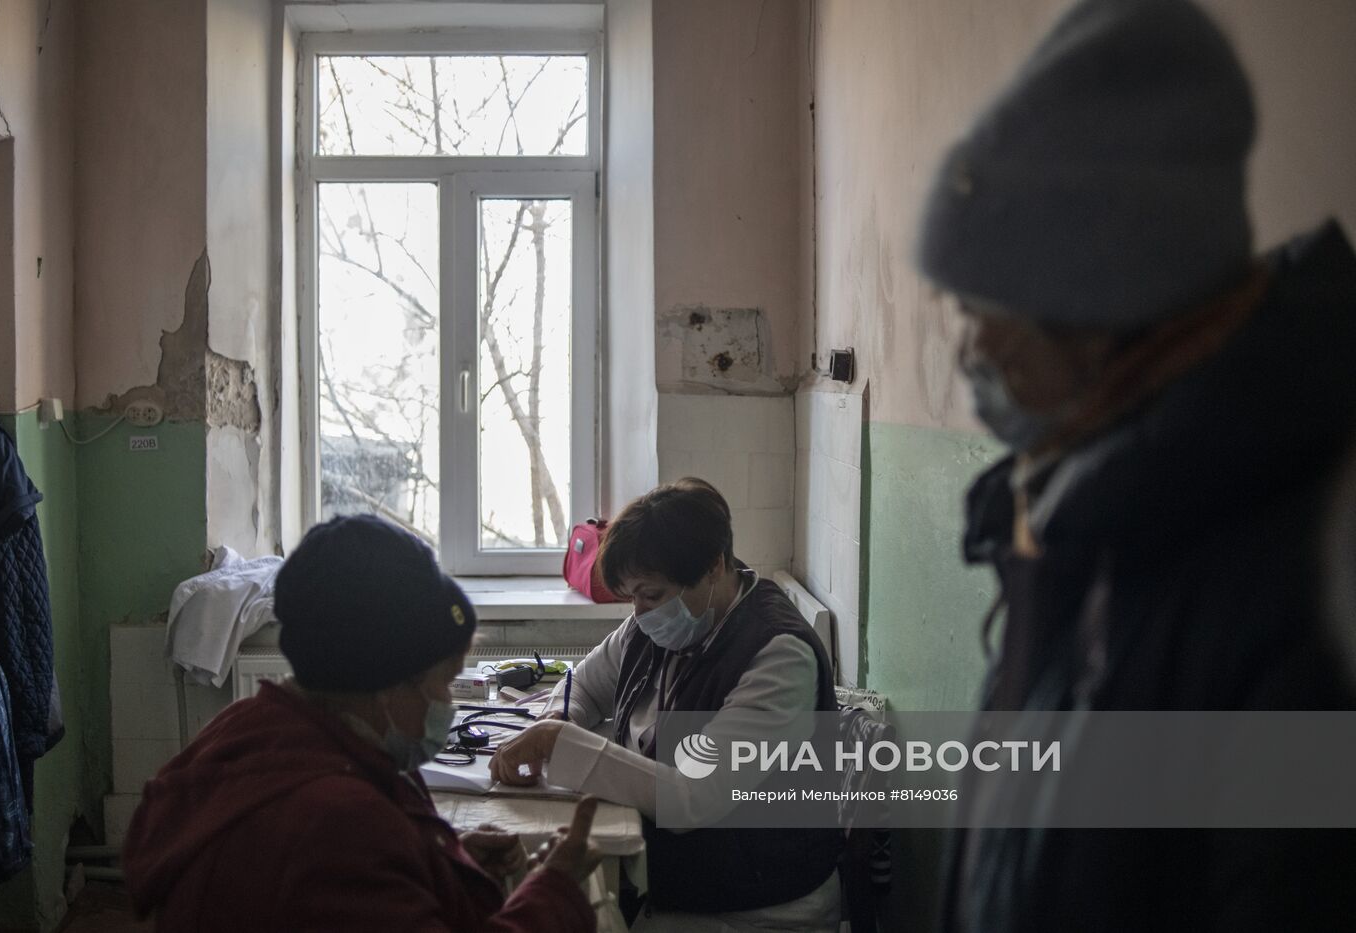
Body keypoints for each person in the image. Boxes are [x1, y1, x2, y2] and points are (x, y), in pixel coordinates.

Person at [915, 0, 1356, 930]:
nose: (973, 350)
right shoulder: (1079, 506)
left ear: (1108, 310)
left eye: (994, 308)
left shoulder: (1307, 580)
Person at [122, 515, 601, 932]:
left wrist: (438, 866)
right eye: (443, 682)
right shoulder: (338, 829)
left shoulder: (251, 729)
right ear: (385, 683)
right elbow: (346, 864)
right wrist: (555, 891)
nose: (447, 703)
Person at [488, 477, 844, 931]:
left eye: (650, 594)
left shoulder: (778, 655)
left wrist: (560, 742)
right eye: (632, 596)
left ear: (714, 566)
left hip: (758, 907)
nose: (637, 612)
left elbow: (696, 796)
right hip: (676, 883)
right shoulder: (661, 621)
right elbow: (585, 686)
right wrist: (555, 720)